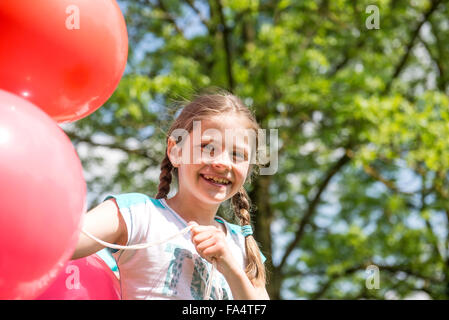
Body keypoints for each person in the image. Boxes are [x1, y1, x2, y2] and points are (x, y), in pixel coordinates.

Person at [72, 92, 270, 300]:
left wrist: (231, 269)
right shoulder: (137, 214)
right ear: (175, 151)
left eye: (238, 155)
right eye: (207, 147)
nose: (223, 163)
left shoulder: (242, 244)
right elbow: (58, 245)